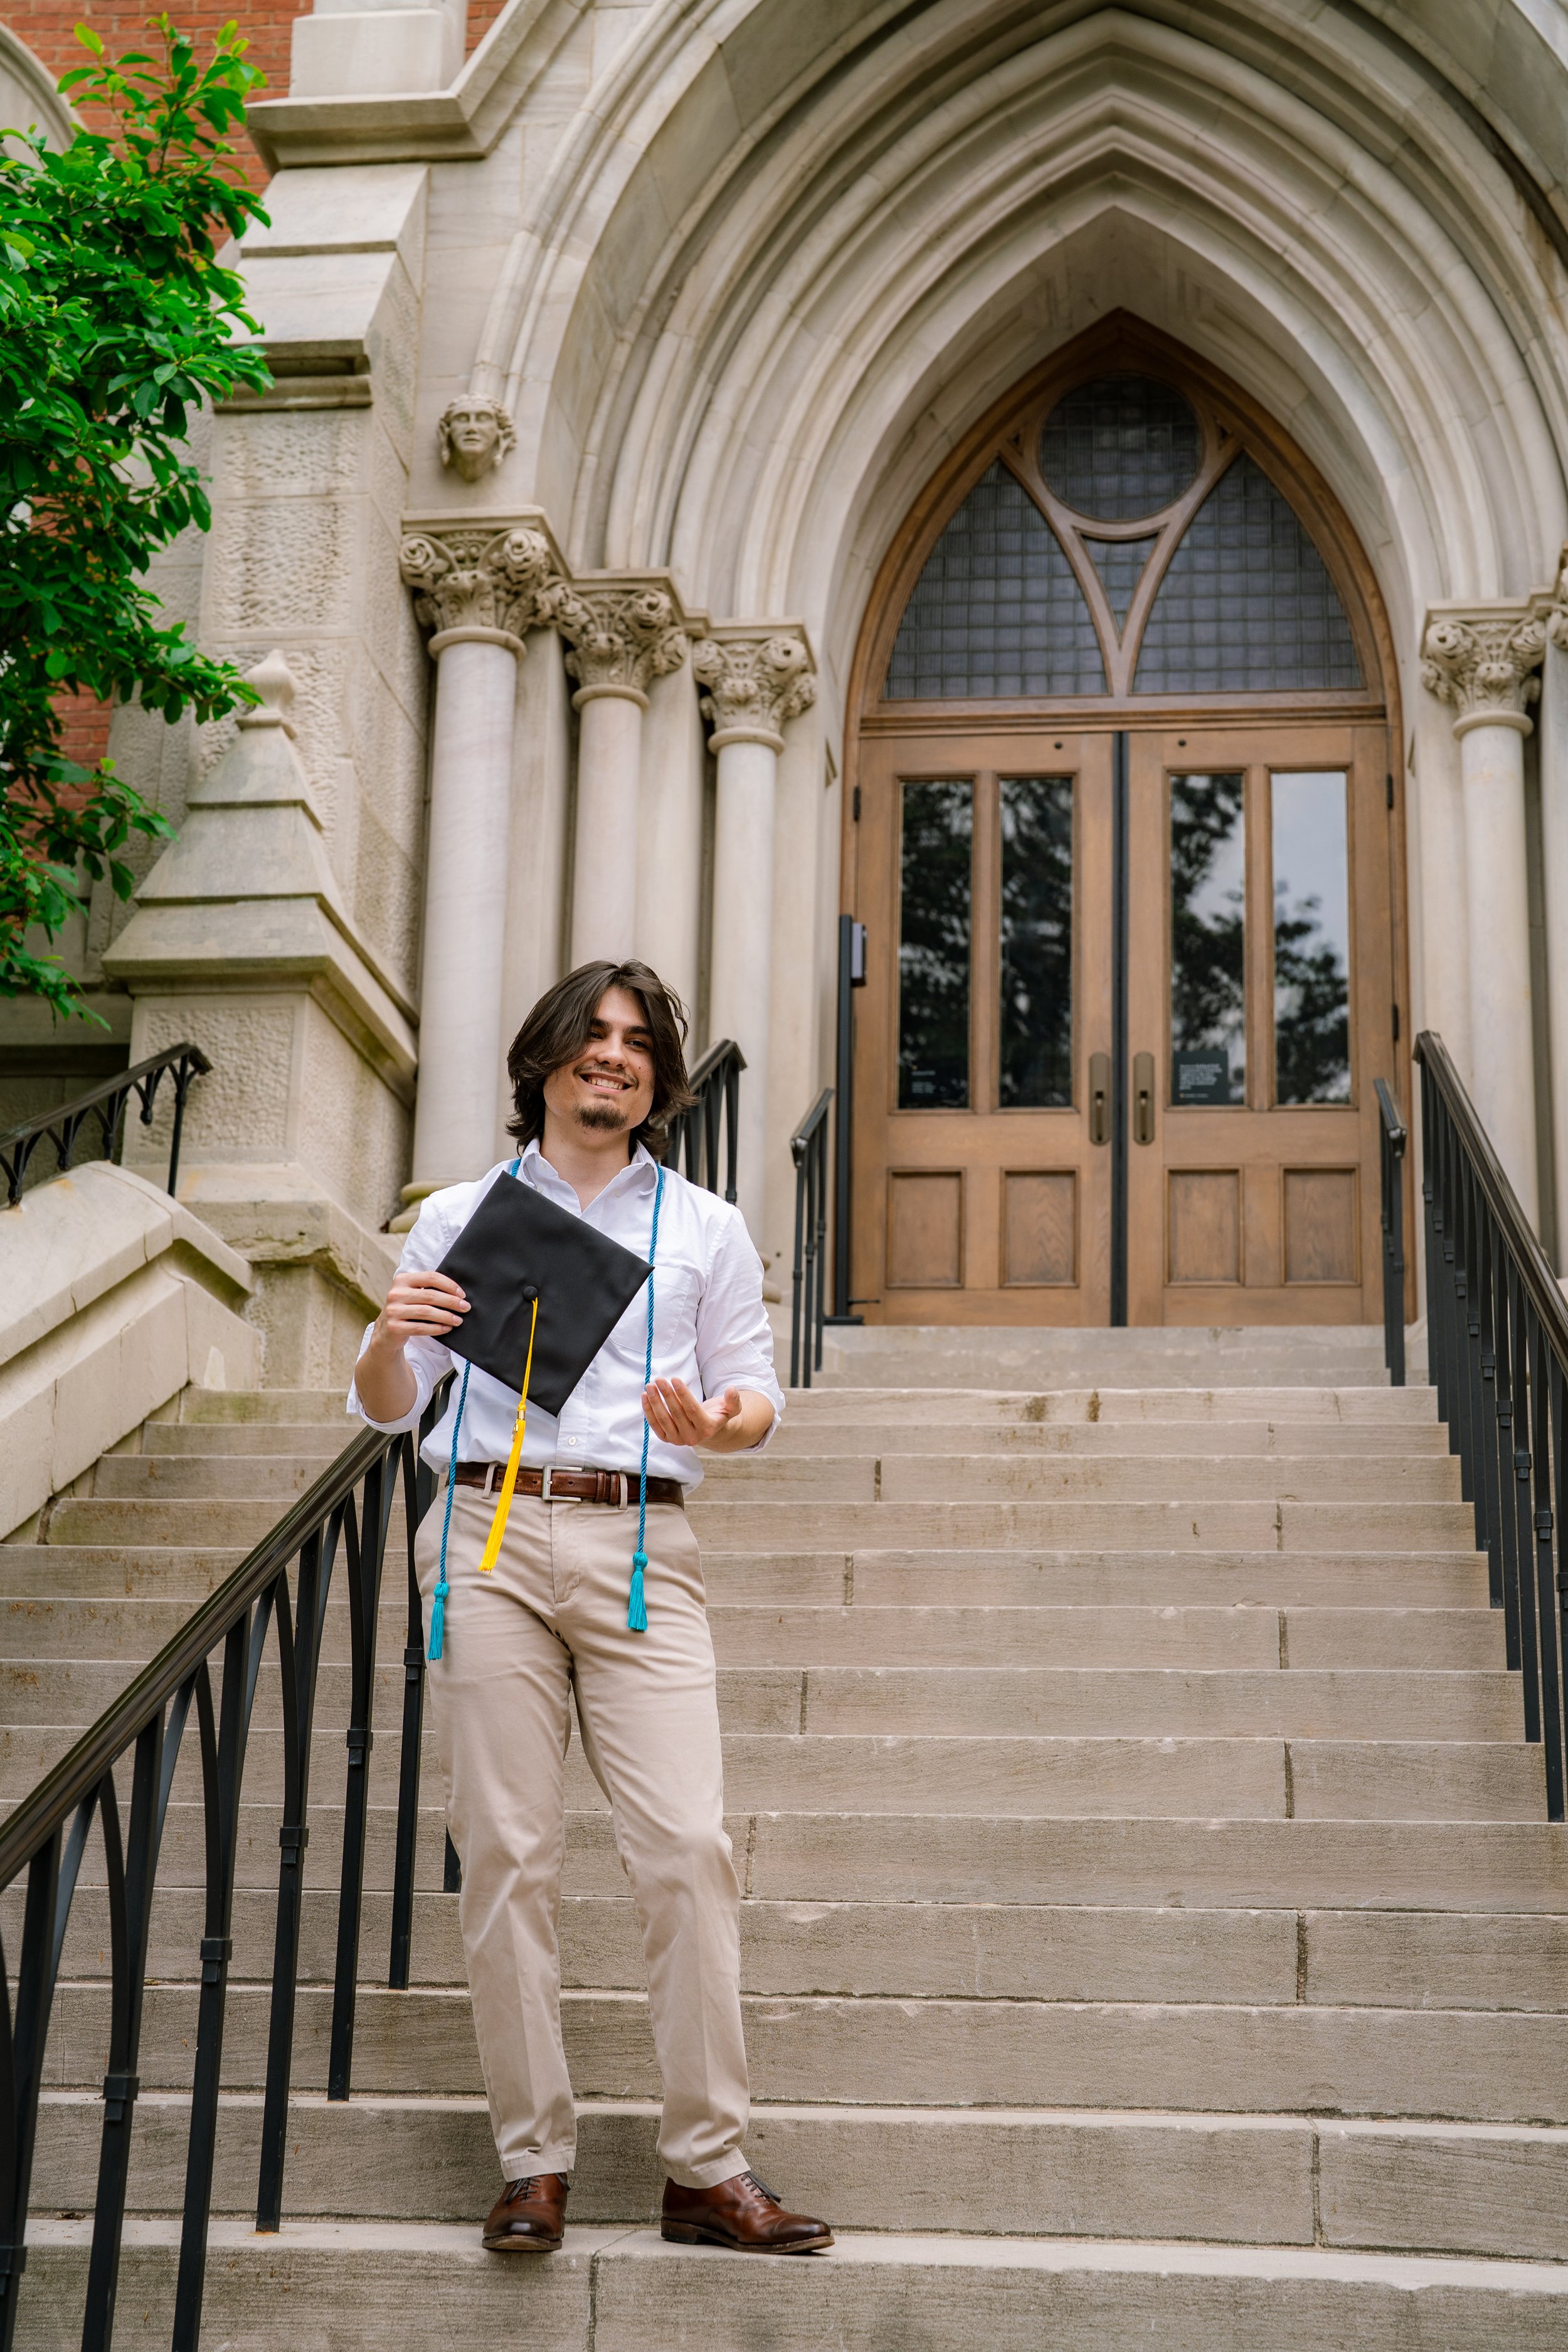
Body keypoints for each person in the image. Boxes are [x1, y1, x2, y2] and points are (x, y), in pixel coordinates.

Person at [348, 960, 833, 2257]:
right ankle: (532, 2161)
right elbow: (390, 1407)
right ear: (544, 1059)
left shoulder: (707, 1228)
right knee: (507, 1853)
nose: (610, 1057)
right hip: (485, 1534)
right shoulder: (459, 1214)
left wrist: (715, 1426)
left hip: (638, 1544)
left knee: (686, 1849)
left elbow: (754, 1395)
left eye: (634, 1043)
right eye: (589, 1036)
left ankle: (704, 2167)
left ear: (658, 1078)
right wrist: (388, 1335)